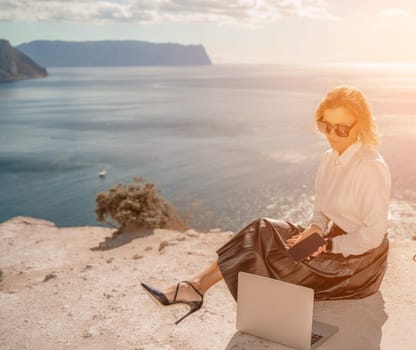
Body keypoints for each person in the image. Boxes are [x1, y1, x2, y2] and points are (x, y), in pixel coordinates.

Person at [141, 85, 391, 325]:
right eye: (325, 125)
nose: (332, 135)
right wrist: (315, 230)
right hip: (330, 241)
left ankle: (193, 289)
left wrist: (327, 244)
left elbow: (372, 236)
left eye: (341, 129)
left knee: (270, 247)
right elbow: (322, 209)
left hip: (359, 264)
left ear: (361, 125)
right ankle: (195, 287)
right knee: (263, 232)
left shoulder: (370, 167)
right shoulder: (329, 159)